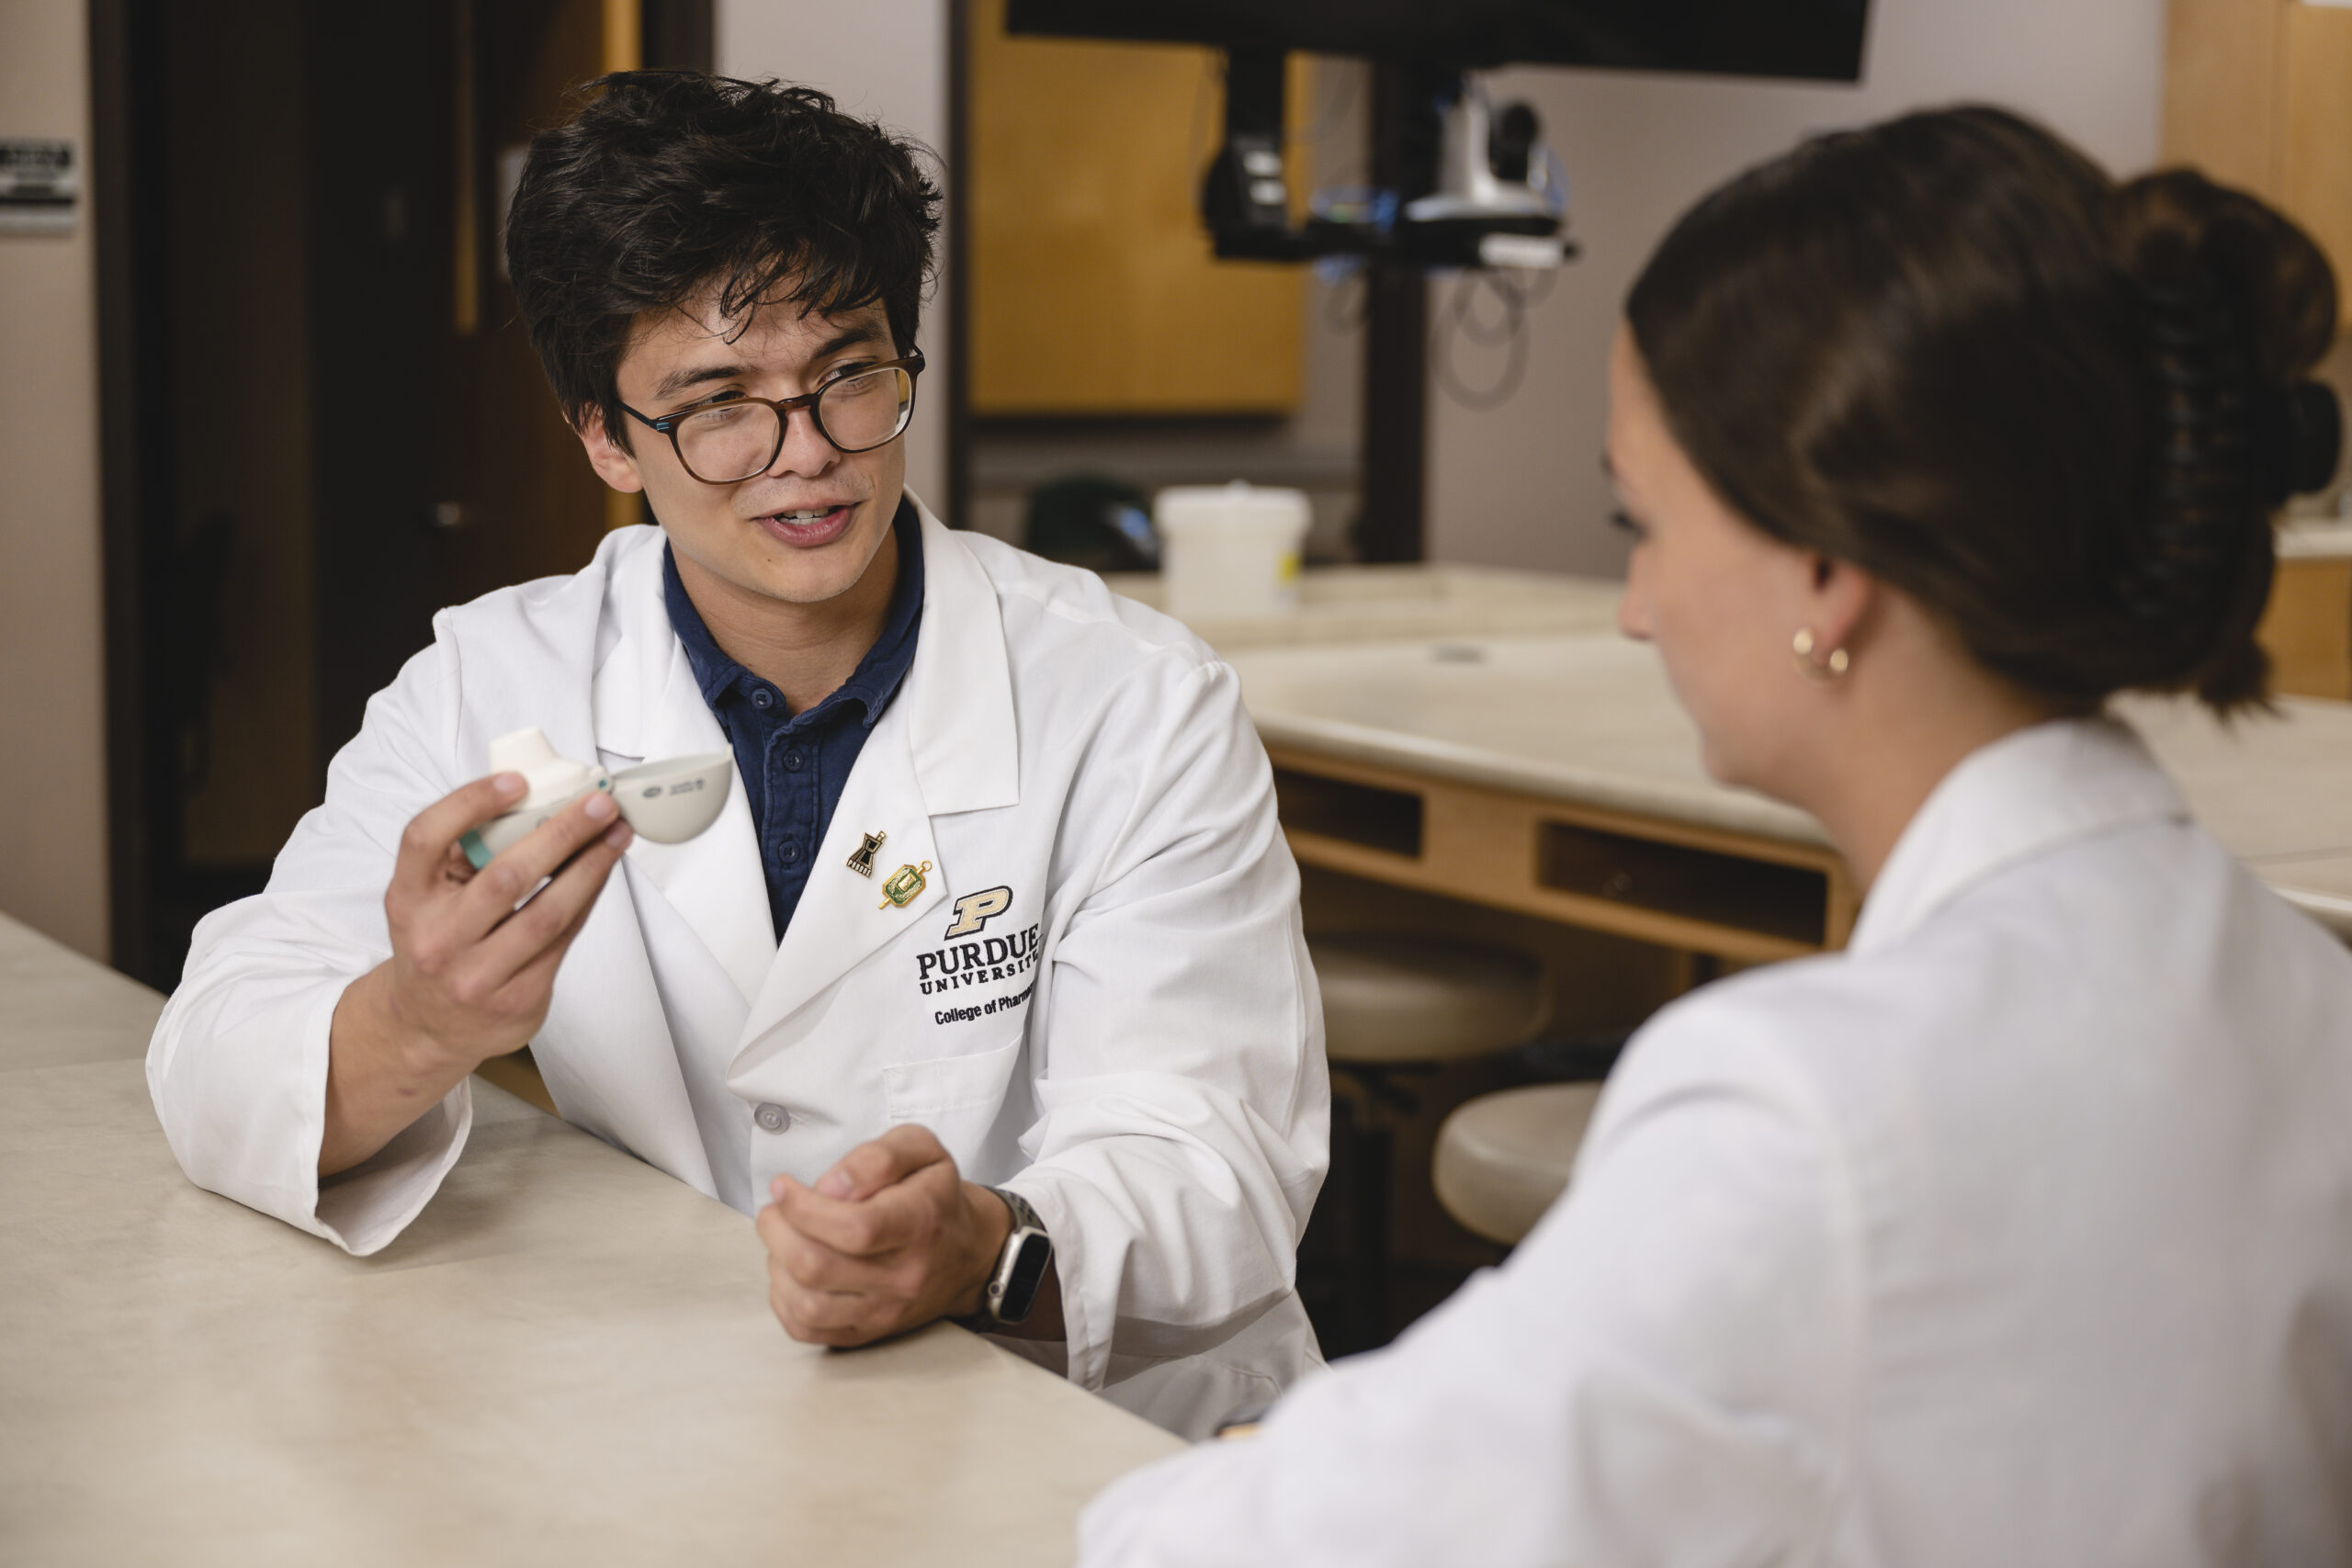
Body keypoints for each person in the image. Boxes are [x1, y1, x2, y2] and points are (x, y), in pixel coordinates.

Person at [1078, 105, 2352, 1562]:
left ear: (1823, 570)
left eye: (1644, 525)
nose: (1635, 606)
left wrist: (1232, 1464)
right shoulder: (2312, 999)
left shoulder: (1805, 1111)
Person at [146, 73, 1327, 1440]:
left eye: (849, 376)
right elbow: (217, 1052)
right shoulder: (497, 678)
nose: (807, 457)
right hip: (694, 1415)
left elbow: (1209, 1153)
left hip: (1088, 1427)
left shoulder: (1132, 700)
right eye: (718, 404)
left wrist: (982, 1245)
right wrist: (422, 1023)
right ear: (604, 436)